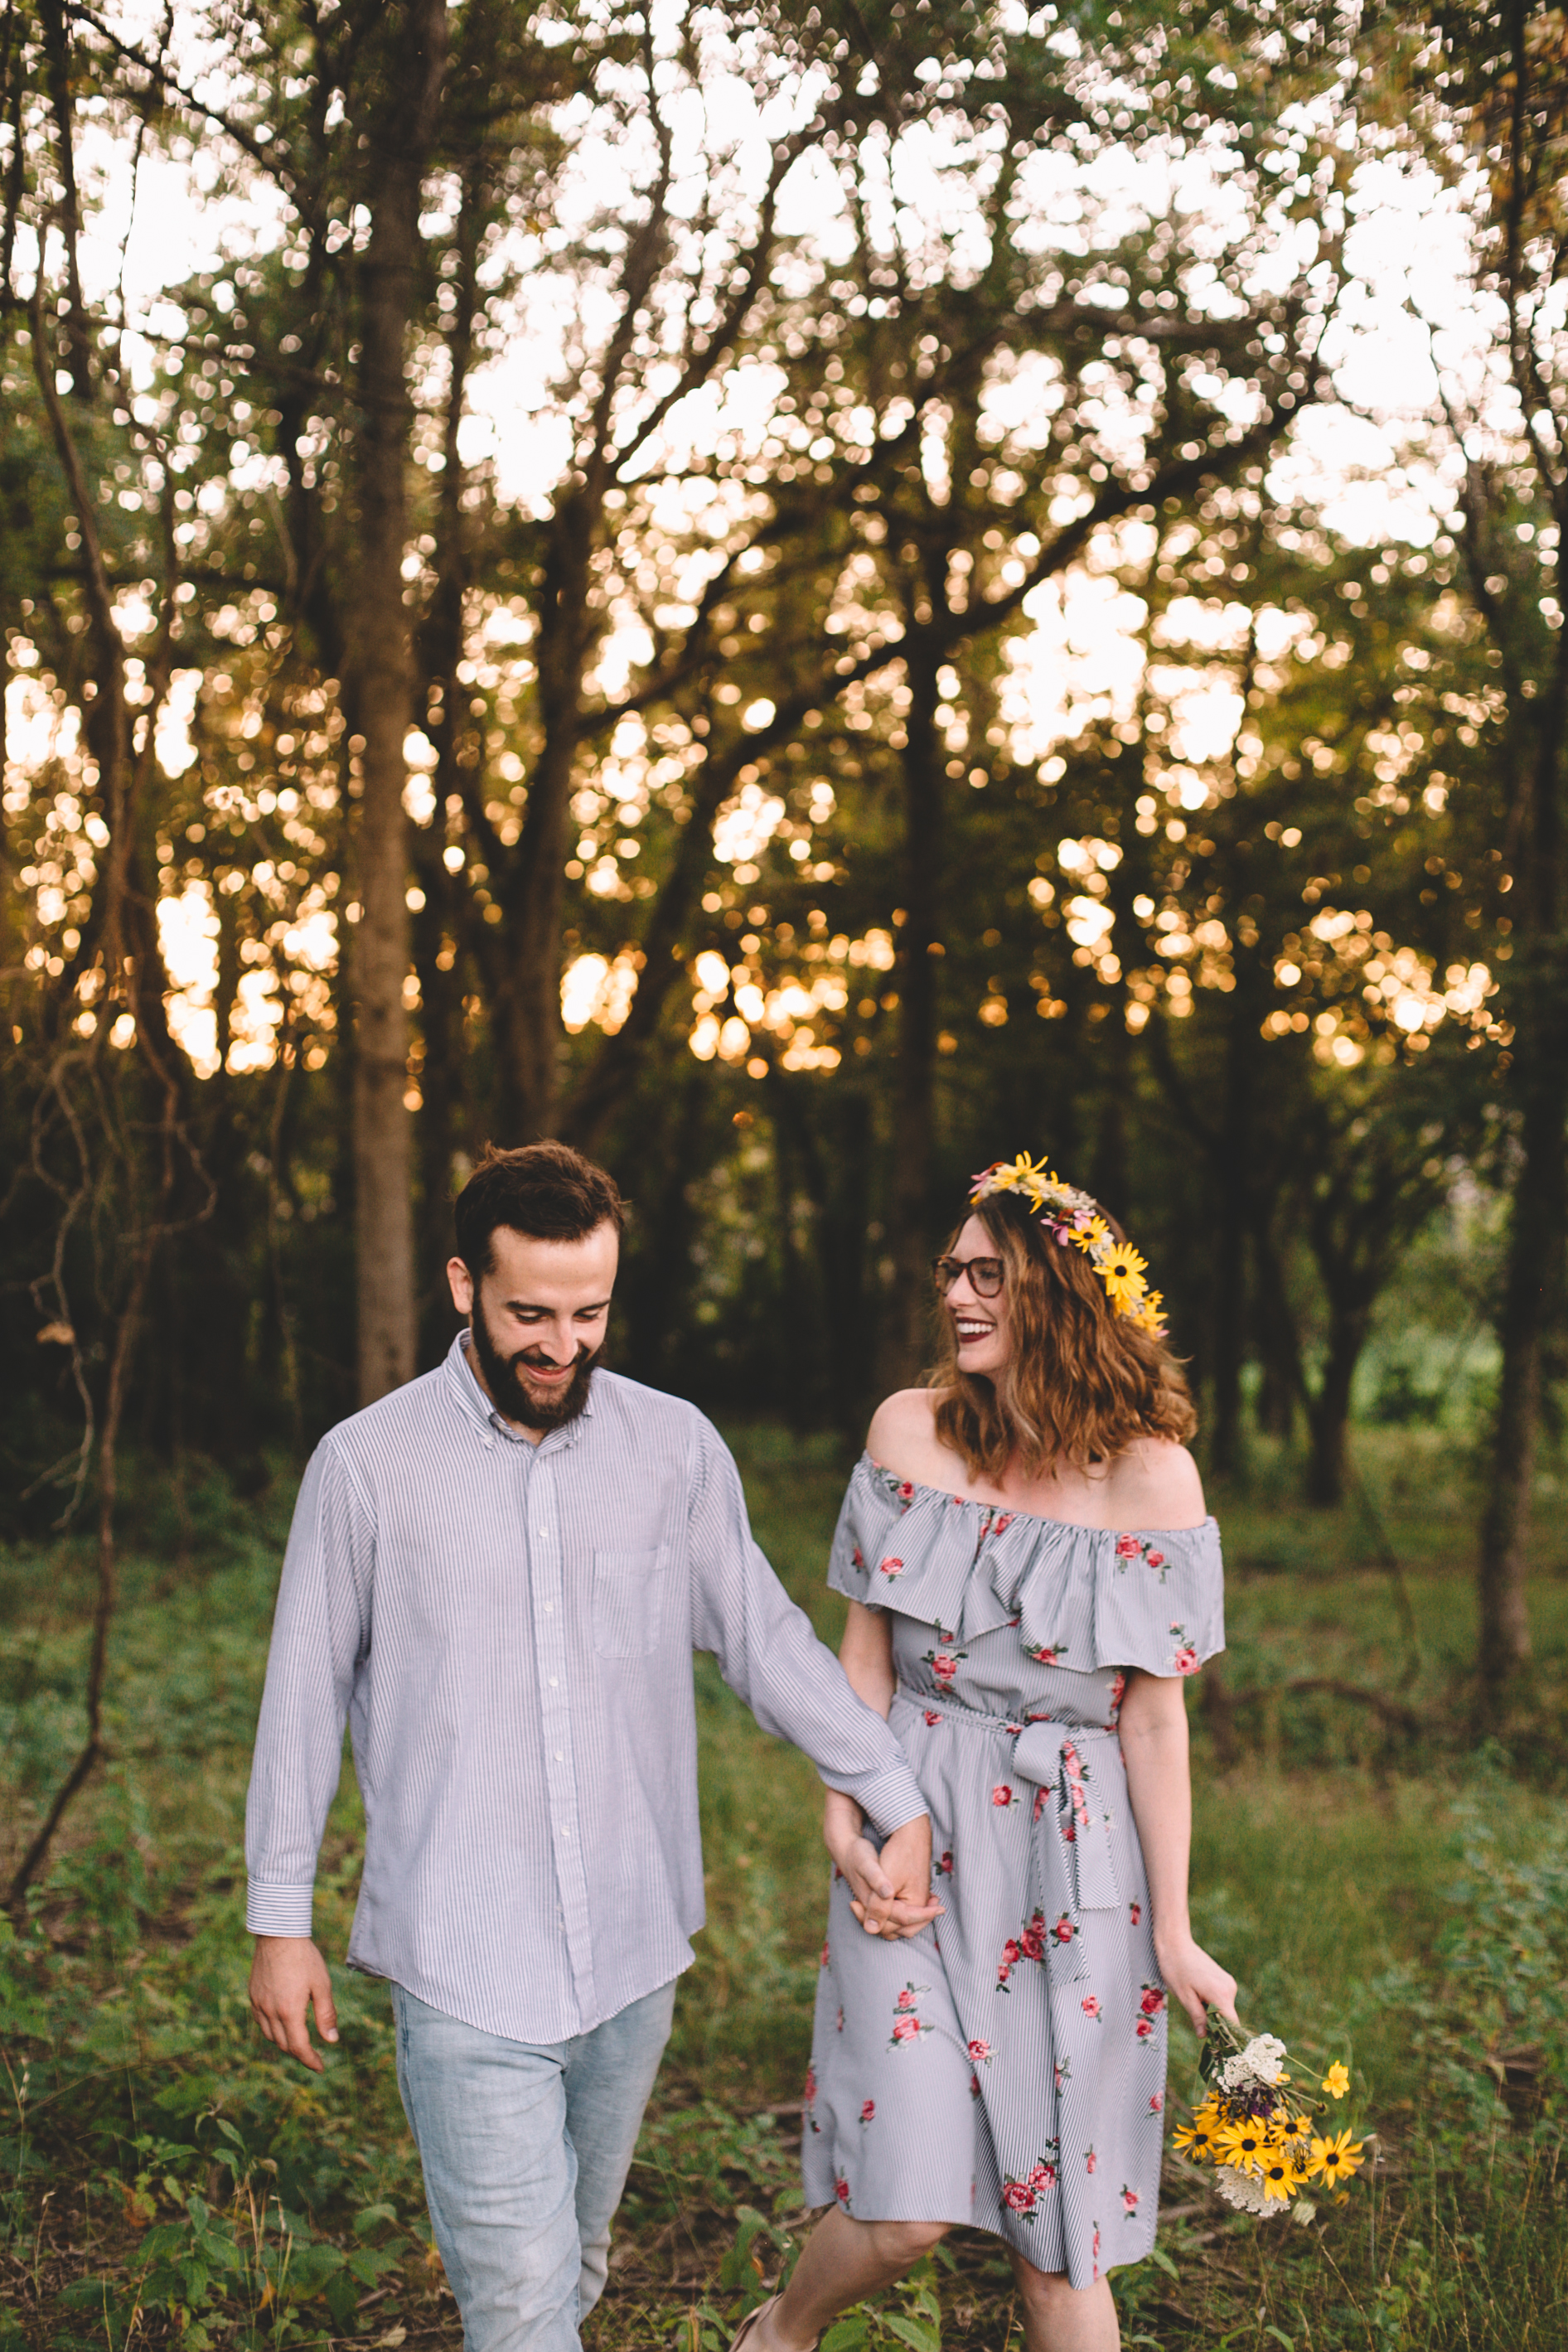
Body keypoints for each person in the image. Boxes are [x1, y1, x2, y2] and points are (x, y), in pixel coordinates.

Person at [244, 1140, 937, 2352]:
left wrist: (888, 1785)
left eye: (589, 1311)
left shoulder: (674, 1448)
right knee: (520, 2315)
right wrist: (279, 1917)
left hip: (629, 1947)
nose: (561, 1343)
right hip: (463, 1956)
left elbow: (764, 1640)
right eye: (528, 1313)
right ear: (463, 1285)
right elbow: (301, 1695)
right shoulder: (364, 1466)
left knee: (572, 2268)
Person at [732, 1153, 1237, 2352]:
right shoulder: (909, 1432)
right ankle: (781, 2334)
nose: (958, 1294)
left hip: (1074, 1858)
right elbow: (863, 1649)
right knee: (901, 2207)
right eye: (953, 1272)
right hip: (914, 1823)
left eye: (989, 1275)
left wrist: (1171, 1928)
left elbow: (1153, 1720)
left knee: (1059, 2240)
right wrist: (846, 1815)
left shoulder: (1153, 1478)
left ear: (1059, 1291)